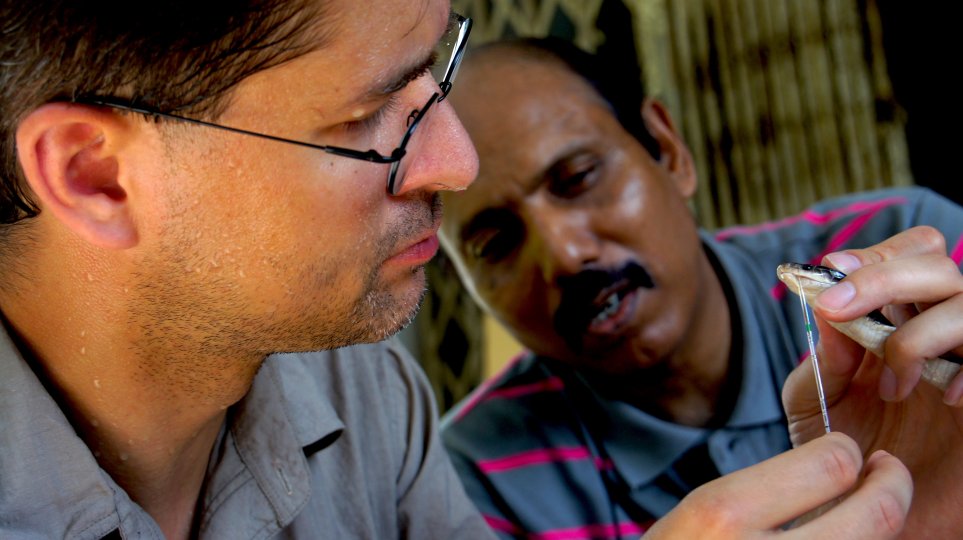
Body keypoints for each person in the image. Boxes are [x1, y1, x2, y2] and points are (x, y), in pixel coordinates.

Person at [0, 4, 923, 540]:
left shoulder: (360, 398)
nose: (455, 162)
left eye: (433, 74)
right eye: (372, 118)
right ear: (98, 177)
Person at [437, 37, 963, 538]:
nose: (565, 256)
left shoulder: (908, 262)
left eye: (578, 178)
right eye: (495, 242)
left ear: (669, 151)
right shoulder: (472, 481)